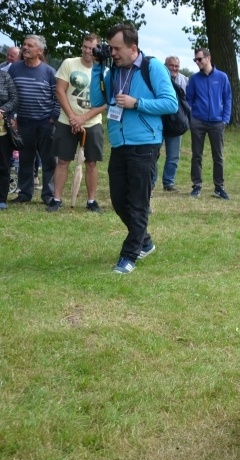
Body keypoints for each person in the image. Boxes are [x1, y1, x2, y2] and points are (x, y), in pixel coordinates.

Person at [90, 23, 178, 274]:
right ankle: (145, 242)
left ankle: (129, 255)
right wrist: (98, 68)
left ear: (133, 48)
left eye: (117, 48)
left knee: (138, 203)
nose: (113, 53)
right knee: (119, 201)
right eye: (111, 48)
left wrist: (136, 103)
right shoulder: (113, 71)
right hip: (119, 144)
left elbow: (170, 103)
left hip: (145, 143)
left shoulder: (153, 67)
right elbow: (97, 100)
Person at [49, 33, 106, 213]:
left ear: (97, 49)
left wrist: (83, 118)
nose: (87, 51)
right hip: (66, 121)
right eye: (85, 47)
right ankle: (56, 199)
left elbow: (106, 101)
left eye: (91, 48)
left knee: (91, 163)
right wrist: (73, 117)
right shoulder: (69, 63)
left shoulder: (104, 71)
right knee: (63, 160)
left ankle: (91, 201)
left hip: (92, 123)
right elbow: (60, 91)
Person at [8, 35, 59, 205]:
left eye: (30, 45)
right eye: (24, 44)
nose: (25, 48)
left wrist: (53, 118)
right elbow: (10, 94)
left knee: (49, 159)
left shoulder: (49, 72)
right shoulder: (15, 68)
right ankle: (25, 193)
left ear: (40, 51)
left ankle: (49, 194)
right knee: (25, 159)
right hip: (23, 122)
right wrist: (12, 116)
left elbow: (58, 98)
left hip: (46, 122)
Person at [186, 48, 231, 200]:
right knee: (196, 155)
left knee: (218, 156)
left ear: (208, 58)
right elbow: (189, 99)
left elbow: (227, 98)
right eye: (195, 60)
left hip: (217, 122)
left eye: (199, 59)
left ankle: (219, 187)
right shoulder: (194, 79)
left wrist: (225, 119)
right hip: (198, 121)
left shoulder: (222, 77)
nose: (197, 62)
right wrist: (192, 118)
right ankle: (196, 185)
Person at [153, 56, 188, 192]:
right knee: (154, 154)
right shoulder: (157, 79)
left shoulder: (184, 81)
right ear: (165, 66)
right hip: (159, 121)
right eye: (171, 65)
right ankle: (151, 182)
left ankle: (169, 183)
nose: (174, 68)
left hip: (175, 123)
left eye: (176, 66)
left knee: (173, 156)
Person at [0, 68, 19, 209]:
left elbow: (14, 99)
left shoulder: (4, 76)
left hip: (2, 131)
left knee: (3, 166)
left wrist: (2, 110)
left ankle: (1, 199)